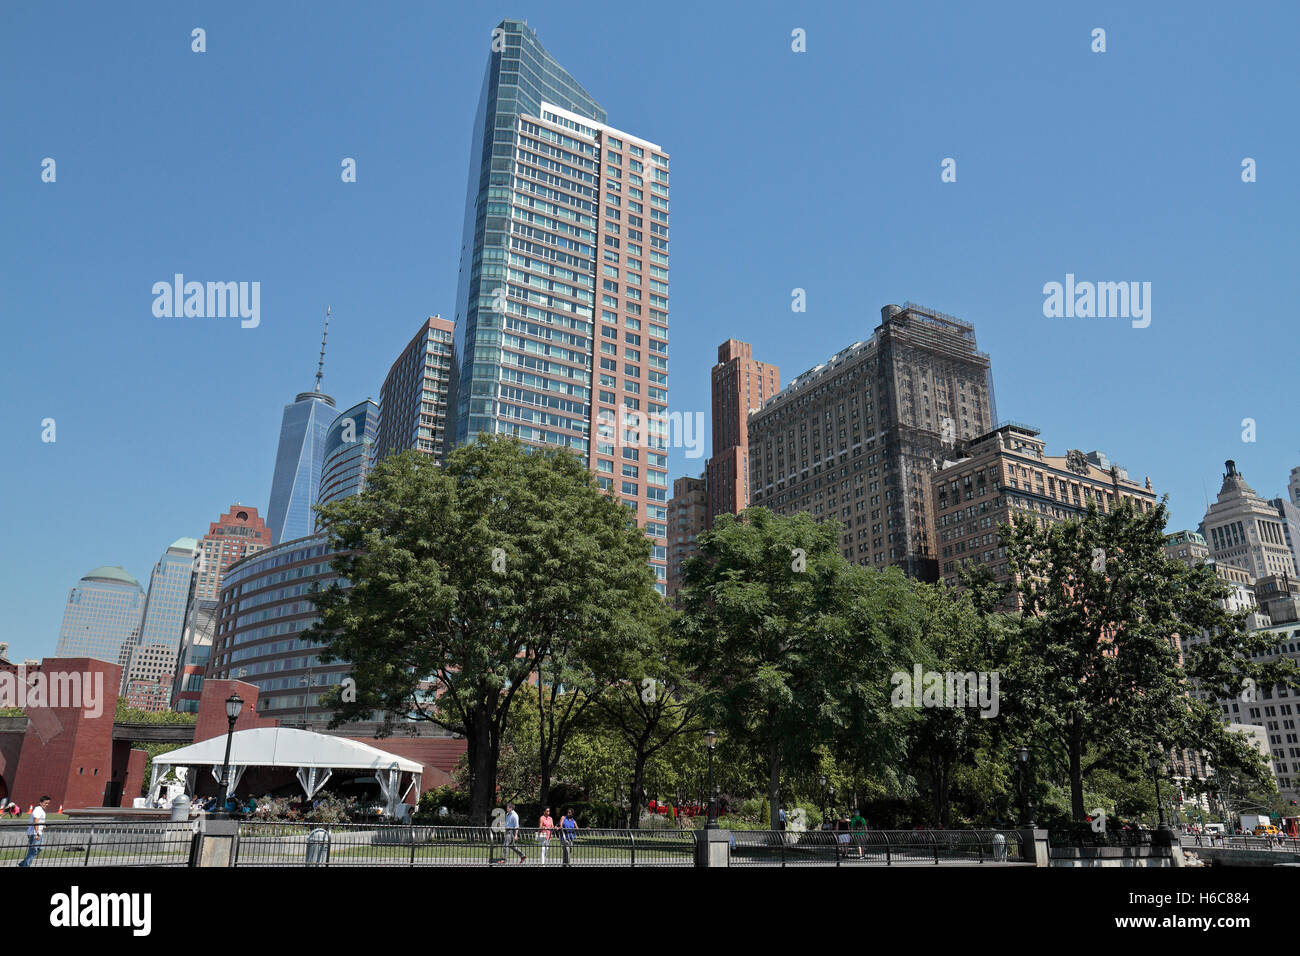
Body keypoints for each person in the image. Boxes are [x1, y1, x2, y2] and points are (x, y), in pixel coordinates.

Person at [19, 796, 51, 868]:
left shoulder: (41, 810)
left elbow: (39, 822)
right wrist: (37, 833)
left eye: (48, 803)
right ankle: (25, 865)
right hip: (34, 833)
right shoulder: (38, 809)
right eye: (45, 803)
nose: (47, 805)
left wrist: (44, 826)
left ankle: (23, 863)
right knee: (33, 850)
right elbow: (35, 821)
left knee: (39, 849)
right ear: (40, 802)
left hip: (39, 833)